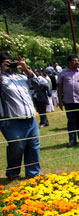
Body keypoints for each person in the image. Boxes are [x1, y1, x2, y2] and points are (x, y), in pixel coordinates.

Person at [0, 52, 41, 180]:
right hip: (12, 120)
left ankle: (33, 173)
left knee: (33, 146)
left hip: (29, 118)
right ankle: (12, 172)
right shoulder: (2, 79)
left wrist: (25, 68)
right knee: (17, 147)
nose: (10, 64)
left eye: (11, 62)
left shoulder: (21, 77)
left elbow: (37, 83)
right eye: (6, 62)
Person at [57, 54, 79, 147]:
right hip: (69, 101)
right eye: (74, 61)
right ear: (69, 62)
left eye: (77, 60)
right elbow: (59, 87)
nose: (77, 62)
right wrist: (60, 101)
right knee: (71, 121)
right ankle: (72, 140)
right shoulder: (63, 73)